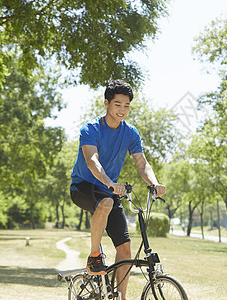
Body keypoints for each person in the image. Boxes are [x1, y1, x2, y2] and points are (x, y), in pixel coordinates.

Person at [70, 79, 165, 300]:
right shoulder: (90, 129)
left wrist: (154, 183)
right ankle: (94, 256)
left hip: (108, 190)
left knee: (125, 249)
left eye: (126, 106)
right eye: (117, 104)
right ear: (106, 103)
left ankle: (121, 297)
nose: (122, 110)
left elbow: (142, 163)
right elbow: (92, 160)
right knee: (107, 202)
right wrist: (109, 182)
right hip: (83, 185)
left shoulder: (131, 133)